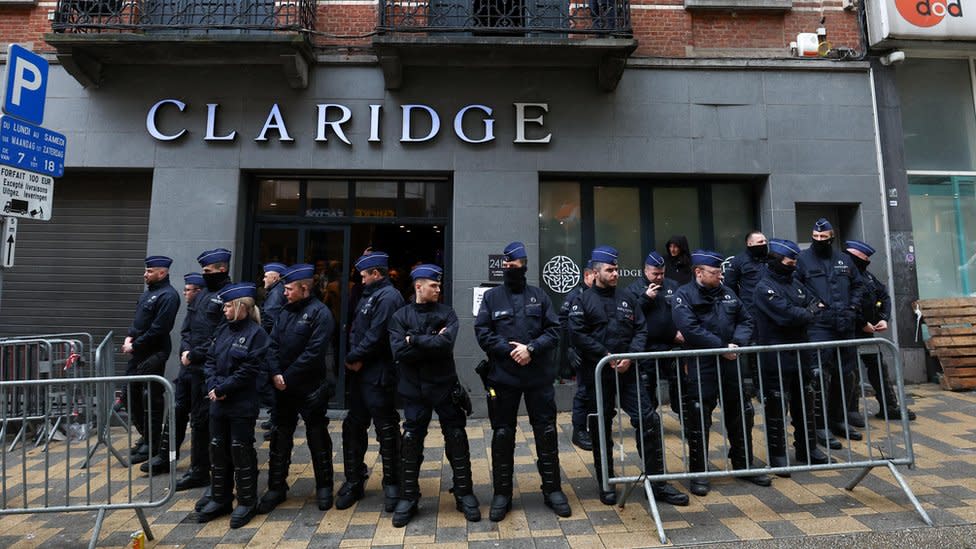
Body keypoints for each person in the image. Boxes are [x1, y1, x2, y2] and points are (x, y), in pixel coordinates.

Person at [570, 246, 688, 507]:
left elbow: (640, 330)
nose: (615, 273)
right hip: (598, 374)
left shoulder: (627, 298)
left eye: (616, 269)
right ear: (596, 272)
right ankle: (606, 481)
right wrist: (608, 355)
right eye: (610, 270)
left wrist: (630, 356)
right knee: (601, 427)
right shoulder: (582, 301)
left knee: (648, 420)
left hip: (628, 372)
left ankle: (657, 483)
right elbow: (578, 334)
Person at [474, 241, 570, 521]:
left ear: (523, 265)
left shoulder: (538, 296)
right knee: (503, 435)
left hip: (537, 377)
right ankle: (502, 494)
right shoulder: (492, 297)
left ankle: (552, 489)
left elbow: (554, 331)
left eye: (513, 264)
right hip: (503, 378)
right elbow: (482, 332)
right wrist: (510, 350)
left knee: (547, 432)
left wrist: (531, 349)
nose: (508, 268)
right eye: (505, 264)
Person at [672, 250, 771, 496]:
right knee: (699, 416)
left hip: (731, 361)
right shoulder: (684, 295)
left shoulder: (728, 293)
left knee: (741, 411)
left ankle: (743, 462)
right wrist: (720, 347)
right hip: (702, 363)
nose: (720, 276)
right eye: (715, 273)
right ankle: (699, 472)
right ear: (699, 272)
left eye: (720, 272)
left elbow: (746, 320)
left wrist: (736, 343)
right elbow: (689, 328)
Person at [388, 264, 480, 527]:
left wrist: (414, 340)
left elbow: (445, 345)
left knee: (456, 437)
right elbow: (399, 353)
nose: (439, 289)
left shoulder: (447, 313)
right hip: (414, 390)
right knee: (411, 441)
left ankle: (464, 492)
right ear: (419, 286)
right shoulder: (400, 316)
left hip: (444, 387)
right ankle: (408, 497)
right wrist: (429, 340)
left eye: (439, 285)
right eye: (434, 285)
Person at [259, 264, 337, 514]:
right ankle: (276, 487)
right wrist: (275, 373)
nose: (285, 293)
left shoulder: (320, 313)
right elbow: (271, 345)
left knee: (317, 437)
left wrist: (286, 376)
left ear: (304, 289)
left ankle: (324, 487)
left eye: (290, 289)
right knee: (280, 437)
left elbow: (314, 353)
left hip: (310, 387)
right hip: (283, 386)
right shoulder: (284, 312)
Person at [753, 239, 830, 474]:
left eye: (795, 260)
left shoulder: (795, 282)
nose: (794, 264)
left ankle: (807, 449)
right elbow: (786, 315)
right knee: (777, 404)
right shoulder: (764, 287)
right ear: (776, 261)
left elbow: (817, 304)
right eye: (789, 261)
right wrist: (805, 313)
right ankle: (778, 455)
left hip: (800, 350)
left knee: (805, 399)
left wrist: (805, 312)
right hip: (776, 353)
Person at [195, 283, 269, 528]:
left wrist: (223, 389)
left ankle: (247, 500)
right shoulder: (223, 330)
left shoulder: (256, 334)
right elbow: (210, 360)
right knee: (217, 448)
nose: (224, 310)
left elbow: (249, 369)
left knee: (240, 449)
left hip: (241, 403)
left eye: (228, 306)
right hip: (219, 401)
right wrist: (213, 386)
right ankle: (221, 497)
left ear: (242, 308)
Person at [337, 252, 405, 512]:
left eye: (365, 276)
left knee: (386, 430)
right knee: (353, 427)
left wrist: (354, 357)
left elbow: (377, 334)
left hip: (378, 374)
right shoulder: (369, 294)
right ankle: (354, 481)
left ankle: (393, 483)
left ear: (376, 274)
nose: (362, 280)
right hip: (360, 375)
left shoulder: (388, 297)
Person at [795, 219, 865, 449]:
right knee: (818, 377)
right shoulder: (803, 260)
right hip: (819, 326)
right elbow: (796, 288)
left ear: (832, 237)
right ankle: (819, 425)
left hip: (844, 324)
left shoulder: (844, 260)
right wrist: (813, 305)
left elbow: (858, 285)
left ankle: (839, 419)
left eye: (824, 238)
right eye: (816, 238)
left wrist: (853, 308)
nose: (820, 241)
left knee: (846, 375)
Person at [178, 248, 233, 498]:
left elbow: (220, 333)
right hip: (193, 369)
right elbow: (188, 327)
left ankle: (219, 475)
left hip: (211, 368)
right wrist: (187, 351)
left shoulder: (228, 295)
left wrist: (195, 354)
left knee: (216, 425)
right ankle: (198, 469)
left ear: (222, 269)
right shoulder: (202, 295)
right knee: (198, 422)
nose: (204, 275)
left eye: (208, 271)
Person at [844, 240, 916, 421]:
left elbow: (884, 296)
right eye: (864, 257)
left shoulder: (867, 277)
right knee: (849, 371)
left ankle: (889, 407)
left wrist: (883, 318)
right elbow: (846, 304)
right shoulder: (842, 277)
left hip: (868, 330)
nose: (867, 260)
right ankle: (850, 411)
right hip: (849, 331)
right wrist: (861, 323)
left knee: (878, 367)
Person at [142, 273, 204, 475]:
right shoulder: (193, 310)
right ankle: (166, 457)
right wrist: (186, 351)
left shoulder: (208, 308)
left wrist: (193, 355)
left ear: (199, 291)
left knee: (199, 420)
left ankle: (199, 467)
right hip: (187, 369)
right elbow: (185, 333)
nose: (184, 293)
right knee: (176, 412)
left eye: (188, 289)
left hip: (201, 370)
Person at [123, 256, 180, 465]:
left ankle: (152, 442)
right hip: (139, 351)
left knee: (151, 397)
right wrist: (130, 336)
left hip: (154, 353)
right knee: (131, 394)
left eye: (149, 271)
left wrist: (135, 345)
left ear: (162, 273)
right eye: (146, 271)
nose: (145, 274)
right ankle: (147, 435)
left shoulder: (168, 296)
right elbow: (139, 320)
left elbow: (159, 329)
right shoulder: (150, 294)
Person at [623, 251, 684, 417]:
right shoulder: (633, 289)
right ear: (645, 271)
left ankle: (685, 417)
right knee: (647, 386)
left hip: (671, 345)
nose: (659, 277)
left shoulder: (672, 286)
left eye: (662, 273)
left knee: (679, 384)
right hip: (646, 347)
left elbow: (682, 312)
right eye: (655, 274)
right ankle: (650, 421)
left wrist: (680, 331)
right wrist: (645, 298)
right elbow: (629, 317)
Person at [724, 231, 768, 399]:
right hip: (751, 312)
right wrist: (739, 307)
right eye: (759, 241)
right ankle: (757, 387)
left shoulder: (770, 259)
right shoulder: (739, 261)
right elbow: (730, 285)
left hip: (771, 312)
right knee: (753, 350)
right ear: (749, 244)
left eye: (765, 241)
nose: (763, 244)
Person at [560, 262, 595, 451]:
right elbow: (563, 324)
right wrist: (570, 349)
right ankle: (579, 430)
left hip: (597, 351)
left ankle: (594, 425)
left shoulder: (599, 295)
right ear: (586, 276)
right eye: (593, 276)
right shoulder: (575, 295)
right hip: (581, 352)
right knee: (583, 392)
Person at [259, 262, 288, 440]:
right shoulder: (276, 291)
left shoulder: (276, 294)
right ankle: (275, 418)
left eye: (266, 275)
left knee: (270, 385)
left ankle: (277, 422)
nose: (263, 279)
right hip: (273, 343)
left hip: (271, 343)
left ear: (275, 277)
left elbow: (270, 319)